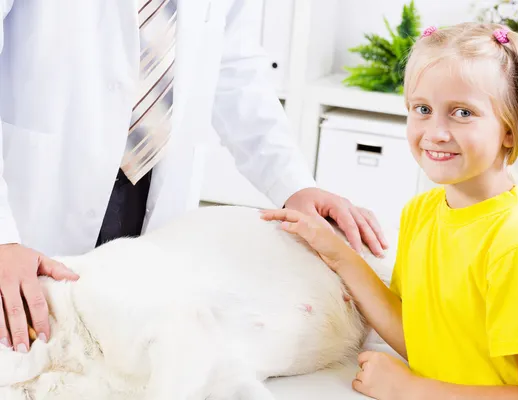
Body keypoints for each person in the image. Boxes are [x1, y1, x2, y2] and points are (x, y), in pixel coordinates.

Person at [0, 1, 388, 354]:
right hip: (29, 202)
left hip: (153, 187)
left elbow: (232, 65)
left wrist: (293, 183)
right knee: (32, 356)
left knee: (124, 354)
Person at [261, 22, 518, 399]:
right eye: (422, 109)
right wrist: (336, 252)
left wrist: (409, 389)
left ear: (510, 128)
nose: (436, 131)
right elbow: (419, 337)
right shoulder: (422, 212)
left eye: (462, 113)